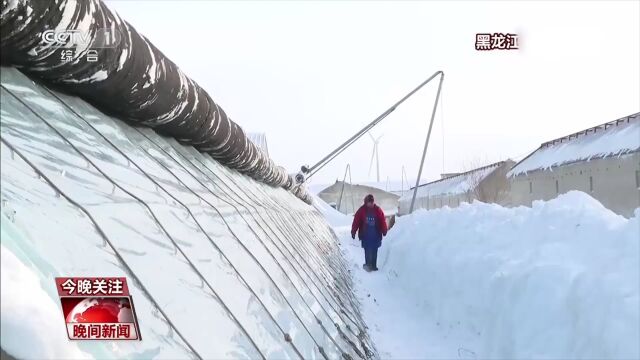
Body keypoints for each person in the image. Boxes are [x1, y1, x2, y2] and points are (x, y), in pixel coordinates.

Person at [351, 194, 388, 271]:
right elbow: (356, 221)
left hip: (376, 235)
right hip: (365, 235)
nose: (370, 204)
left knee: (374, 250)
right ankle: (368, 265)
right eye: (369, 202)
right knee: (367, 250)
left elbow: (382, 221)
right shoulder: (361, 210)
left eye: (372, 202)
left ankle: (373, 265)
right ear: (366, 202)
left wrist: (384, 230)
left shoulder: (378, 210)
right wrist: (353, 231)